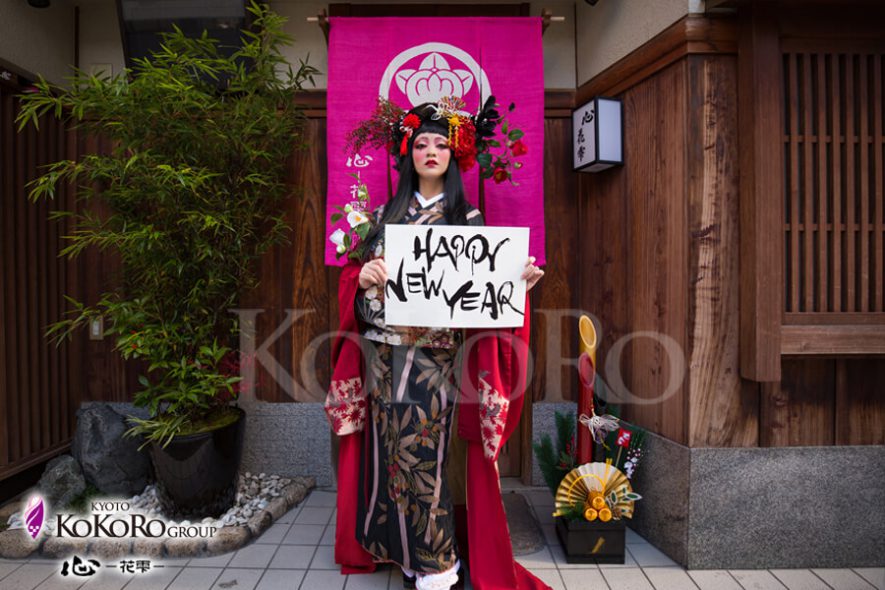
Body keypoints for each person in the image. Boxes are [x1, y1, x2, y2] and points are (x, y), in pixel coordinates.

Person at [325, 98, 548, 590]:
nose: (430, 151)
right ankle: (404, 551)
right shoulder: (382, 217)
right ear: (407, 154)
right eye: (421, 143)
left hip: (435, 359)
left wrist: (517, 285)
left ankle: (439, 560)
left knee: (424, 453)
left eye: (441, 144)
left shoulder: (468, 222)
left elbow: (484, 294)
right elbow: (352, 290)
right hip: (382, 355)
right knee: (388, 453)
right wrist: (361, 280)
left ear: (454, 156)